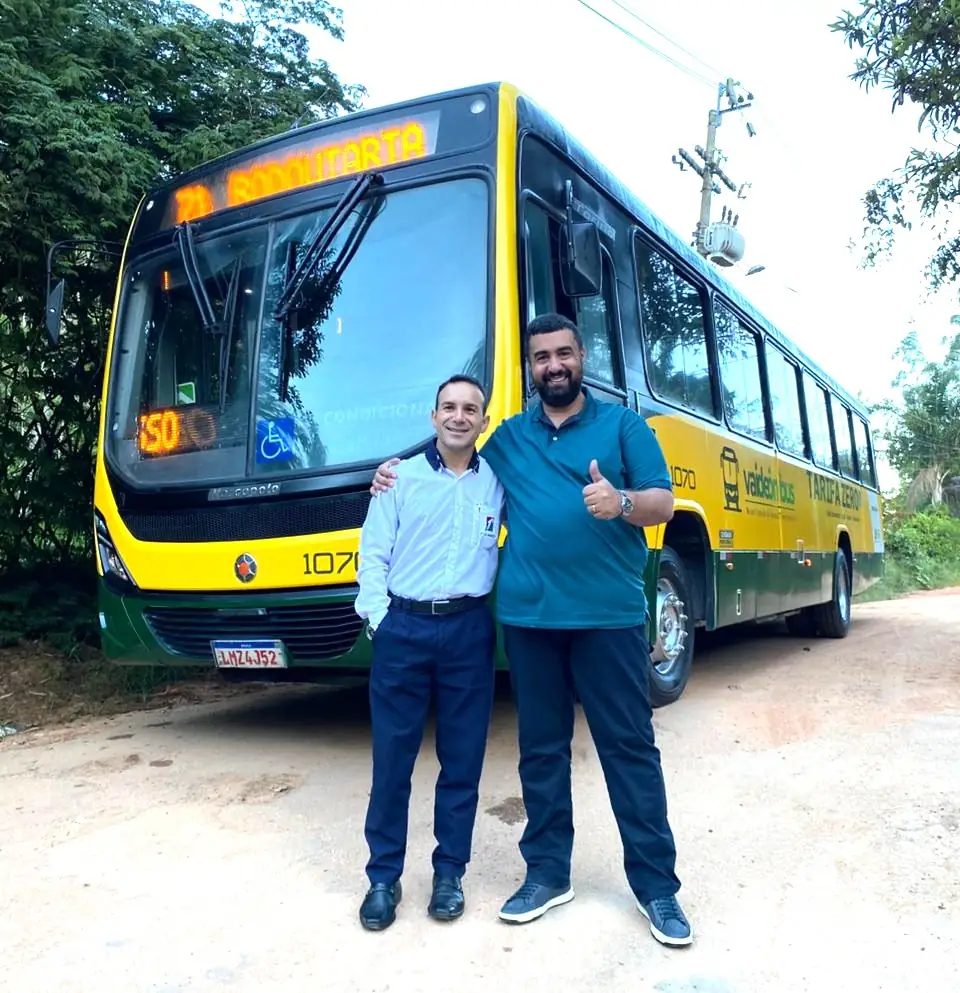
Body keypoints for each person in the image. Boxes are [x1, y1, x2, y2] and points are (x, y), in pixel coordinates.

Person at [370, 313, 693, 947]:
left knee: (628, 750)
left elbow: (664, 501)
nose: (553, 365)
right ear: (532, 369)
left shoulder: (623, 426)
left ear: (581, 358)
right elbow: (452, 456)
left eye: (563, 354)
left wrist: (622, 503)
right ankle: (547, 873)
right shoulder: (509, 438)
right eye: (541, 357)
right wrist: (390, 471)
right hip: (528, 621)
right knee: (540, 752)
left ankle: (658, 888)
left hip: (607, 618)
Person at [354, 373, 504, 932]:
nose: (460, 416)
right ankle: (382, 877)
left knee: (462, 761)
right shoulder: (399, 479)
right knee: (392, 761)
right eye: (450, 407)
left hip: (468, 631)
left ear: (483, 421)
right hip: (405, 630)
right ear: (434, 417)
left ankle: (449, 874)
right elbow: (372, 555)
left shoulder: (498, 482)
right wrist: (379, 621)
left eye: (471, 409)